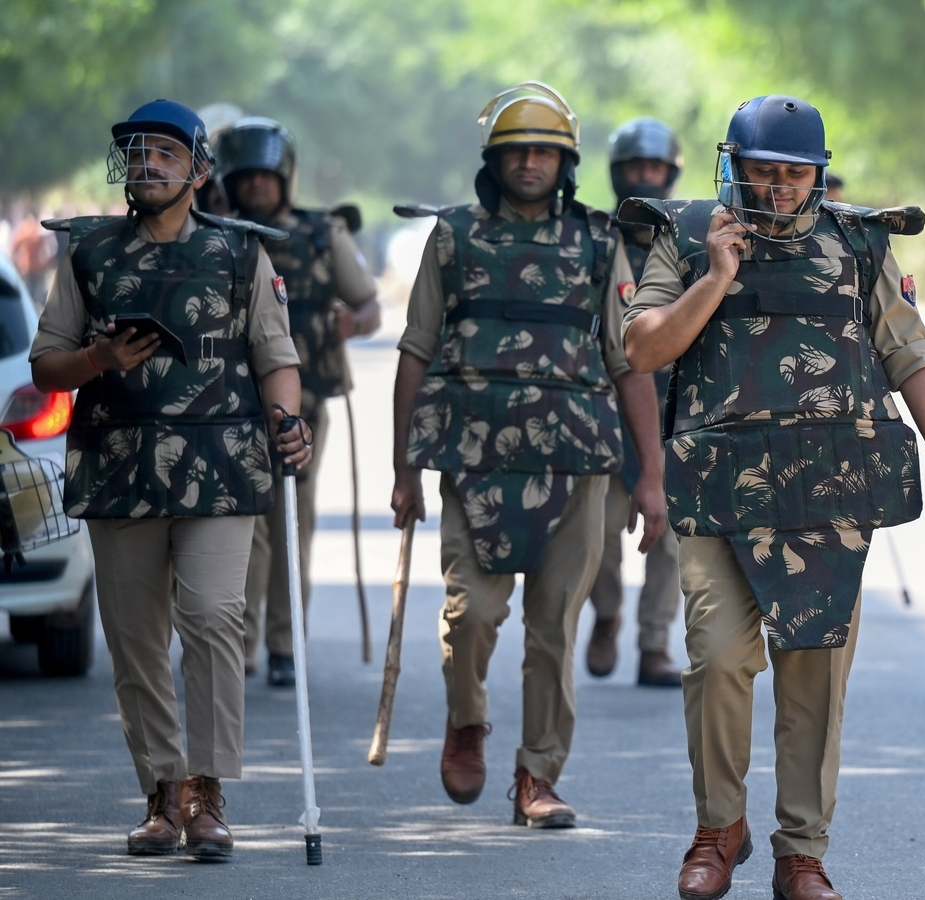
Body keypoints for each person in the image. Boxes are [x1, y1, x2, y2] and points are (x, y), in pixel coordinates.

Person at [622, 95, 925, 900]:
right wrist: (717, 276)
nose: (778, 190)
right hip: (717, 485)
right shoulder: (684, 235)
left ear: (816, 174)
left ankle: (801, 851)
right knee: (716, 657)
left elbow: (907, 351)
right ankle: (718, 829)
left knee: (814, 669)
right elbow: (643, 349)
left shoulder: (856, 240)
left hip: (829, 485)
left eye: (794, 175)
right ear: (731, 169)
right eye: (762, 174)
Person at [29, 99, 311, 859]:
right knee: (135, 640)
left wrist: (287, 421)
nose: (148, 165)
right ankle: (162, 791)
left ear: (199, 170)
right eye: (138, 154)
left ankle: (209, 791)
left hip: (221, 469)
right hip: (120, 470)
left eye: (165, 153)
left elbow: (274, 355)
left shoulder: (239, 254)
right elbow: (46, 360)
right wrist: (96, 362)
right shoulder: (87, 254)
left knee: (216, 617)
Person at [390, 82, 667, 827]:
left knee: (553, 632)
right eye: (518, 152)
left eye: (545, 151)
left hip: (577, 469)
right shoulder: (453, 237)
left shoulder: (598, 241)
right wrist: (403, 468)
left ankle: (537, 776)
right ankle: (467, 720)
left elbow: (628, 362)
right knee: (470, 615)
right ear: (496, 161)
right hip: (473, 459)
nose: (531, 164)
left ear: (566, 162)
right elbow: (416, 350)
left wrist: (652, 482)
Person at [213, 117, 382, 684]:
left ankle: (286, 645)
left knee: (291, 520)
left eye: (267, 177)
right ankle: (242, 645)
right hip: (228, 405)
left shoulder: (321, 233)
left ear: (285, 177)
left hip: (302, 403)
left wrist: (349, 323)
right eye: (247, 178)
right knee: (244, 522)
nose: (257, 187)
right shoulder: (212, 233)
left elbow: (370, 307)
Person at [582, 117, 686, 688]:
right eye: (634, 167)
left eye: (654, 167)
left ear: (670, 173)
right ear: (616, 172)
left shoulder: (688, 239)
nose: (644, 176)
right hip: (604, 408)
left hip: (675, 412)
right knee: (599, 536)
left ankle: (653, 645)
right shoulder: (596, 240)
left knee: (671, 538)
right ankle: (605, 614)